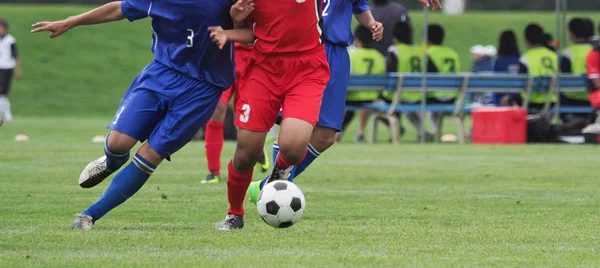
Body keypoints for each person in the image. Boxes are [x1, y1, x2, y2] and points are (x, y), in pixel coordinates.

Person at [32, 0, 235, 230]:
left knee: (150, 155)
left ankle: (89, 215)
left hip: (204, 88)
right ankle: (111, 162)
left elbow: (255, 28)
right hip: (161, 73)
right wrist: (71, 22)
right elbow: (119, 8)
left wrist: (236, 21)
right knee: (119, 143)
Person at [202, 41, 271, 184]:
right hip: (224, 58)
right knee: (217, 109)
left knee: (245, 115)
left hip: (253, 59)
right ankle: (213, 171)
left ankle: (255, 146)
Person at [384, 21, 431, 140]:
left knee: (379, 102)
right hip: (420, 95)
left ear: (395, 37)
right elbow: (432, 71)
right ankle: (422, 132)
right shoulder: (421, 50)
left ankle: (396, 129)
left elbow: (389, 72)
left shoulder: (395, 50)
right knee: (409, 111)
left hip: (399, 95)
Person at [340, 25, 386, 141]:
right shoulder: (379, 56)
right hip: (372, 97)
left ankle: (338, 133)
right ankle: (356, 133)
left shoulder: (351, 54)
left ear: (357, 39)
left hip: (352, 96)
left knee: (347, 104)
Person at [503, 23, 558, 112]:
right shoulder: (554, 56)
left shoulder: (525, 58)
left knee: (509, 99)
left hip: (530, 100)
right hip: (551, 100)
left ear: (526, 40)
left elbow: (520, 84)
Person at [424, 23, 461, 138]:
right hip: (452, 97)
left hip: (434, 96)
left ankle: (430, 133)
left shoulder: (427, 52)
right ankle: (436, 133)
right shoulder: (452, 53)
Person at [560, 18, 593, 124]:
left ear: (571, 33)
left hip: (572, 98)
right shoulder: (594, 51)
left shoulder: (567, 53)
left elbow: (564, 75)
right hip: (592, 97)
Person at [489, 30, 521, 106]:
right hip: (518, 97)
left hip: (500, 99)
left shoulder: (498, 61)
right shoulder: (521, 60)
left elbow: (494, 82)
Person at [0, 19, 21, 124]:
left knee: (3, 93)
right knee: (1, 94)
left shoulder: (10, 40)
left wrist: (17, 71)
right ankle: (6, 116)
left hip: (7, 68)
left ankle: (6, 116)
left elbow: (16, 57)